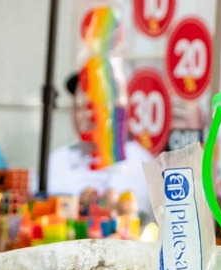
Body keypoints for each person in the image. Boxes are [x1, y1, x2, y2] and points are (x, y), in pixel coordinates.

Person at [46, 73, 153, 221]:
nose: (87, 114)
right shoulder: (57, 160)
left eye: (94, 105)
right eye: (79, 107)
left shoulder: (141, 162)